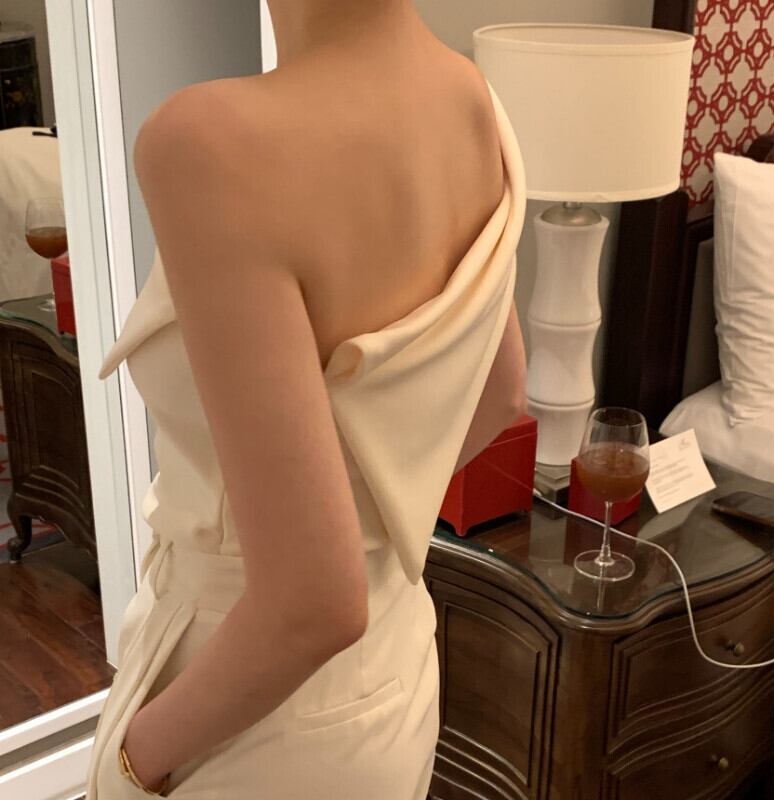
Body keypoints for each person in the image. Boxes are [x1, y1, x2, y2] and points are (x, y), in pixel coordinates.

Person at [85, 0, 528, 797]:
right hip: (391, 673)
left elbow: (313, 603)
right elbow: (501, 393)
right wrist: (363, 516)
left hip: (247, 703)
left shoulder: (209, 143)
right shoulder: (470, 97)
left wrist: (133, 759)